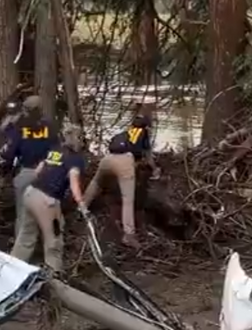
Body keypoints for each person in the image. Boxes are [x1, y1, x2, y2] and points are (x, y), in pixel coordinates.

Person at [12, 125, 87, 273]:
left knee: (26, 235)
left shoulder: (55, 150)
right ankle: (54, 276)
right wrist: (82, 205)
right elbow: (74, 183)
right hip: (47, 201)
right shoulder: (75, 159)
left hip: (30, 193)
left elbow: (38, 171)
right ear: (78, 139)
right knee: (54, 241)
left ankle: (14, 268)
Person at [82, 113, 160, 248]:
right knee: (128, 200)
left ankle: (81, 208)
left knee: (96, 183)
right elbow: (147, 156)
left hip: (107, 159)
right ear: (146, 127)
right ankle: (129, 235)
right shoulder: (144, 134)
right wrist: (154, 169)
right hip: (125, 161)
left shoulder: (124, 134)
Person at [0, 95, 59, 234]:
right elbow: (58, 150)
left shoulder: (20, 128)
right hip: (48, 174)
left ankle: (20, 248)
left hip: (27, 173)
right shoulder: (51, 126)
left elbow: (10, 153)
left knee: (23, 214)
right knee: (47, 211)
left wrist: (1, 164)